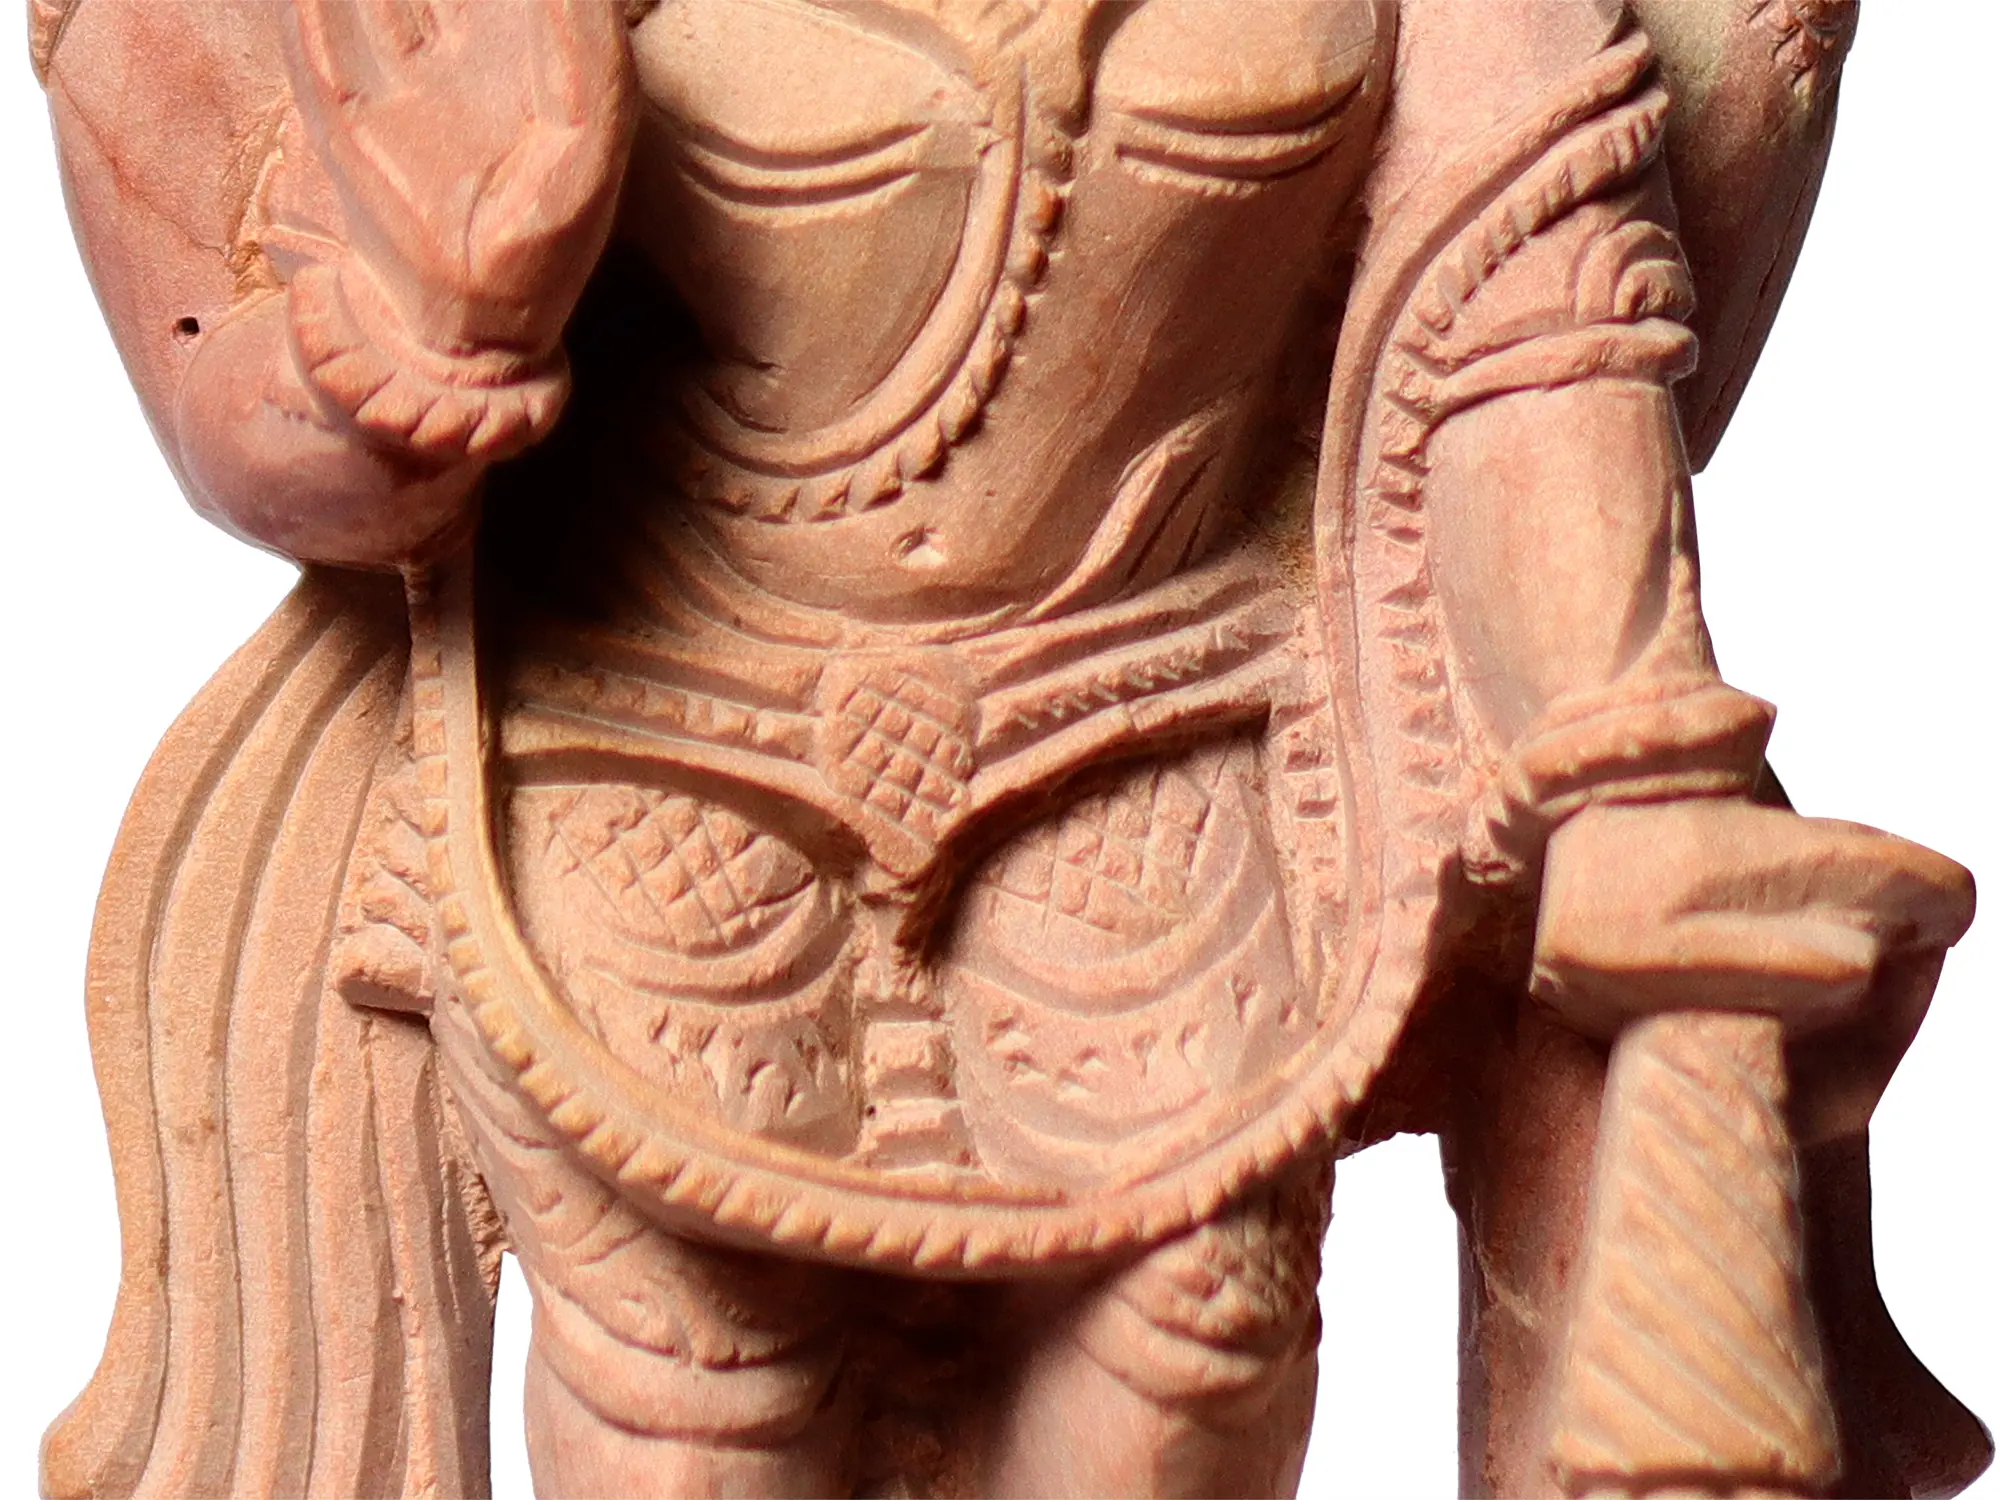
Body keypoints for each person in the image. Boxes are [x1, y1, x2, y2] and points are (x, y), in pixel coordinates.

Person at [32, 1, 1987, 1494]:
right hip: (647, 755)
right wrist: (416, 328)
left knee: (1193, 1348)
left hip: (1164, 746)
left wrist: (1621, 751)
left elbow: (1532, 313)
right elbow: (243, 391)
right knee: (706, 1389)